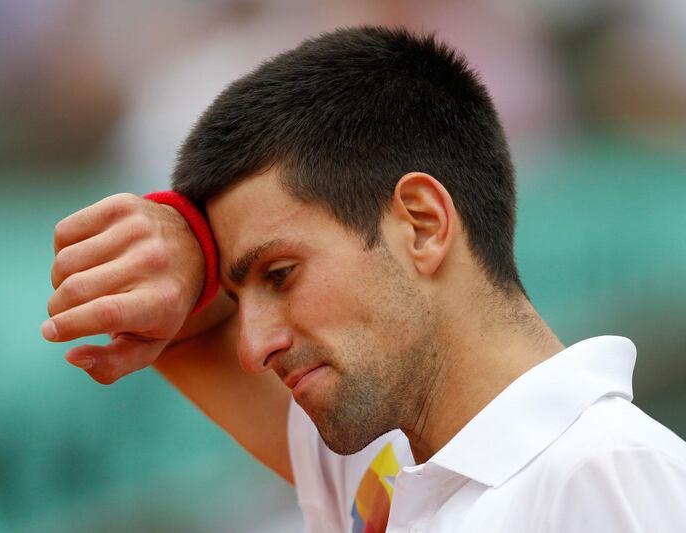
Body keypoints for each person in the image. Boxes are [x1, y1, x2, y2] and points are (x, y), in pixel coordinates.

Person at [42, 27, 686, 532]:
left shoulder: (604, 472)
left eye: (281, 274)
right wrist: (192, 244)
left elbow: (189, 334)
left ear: (423, 224)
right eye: (244, 295)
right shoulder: (390, 469)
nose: (252, 345)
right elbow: (183, 328)